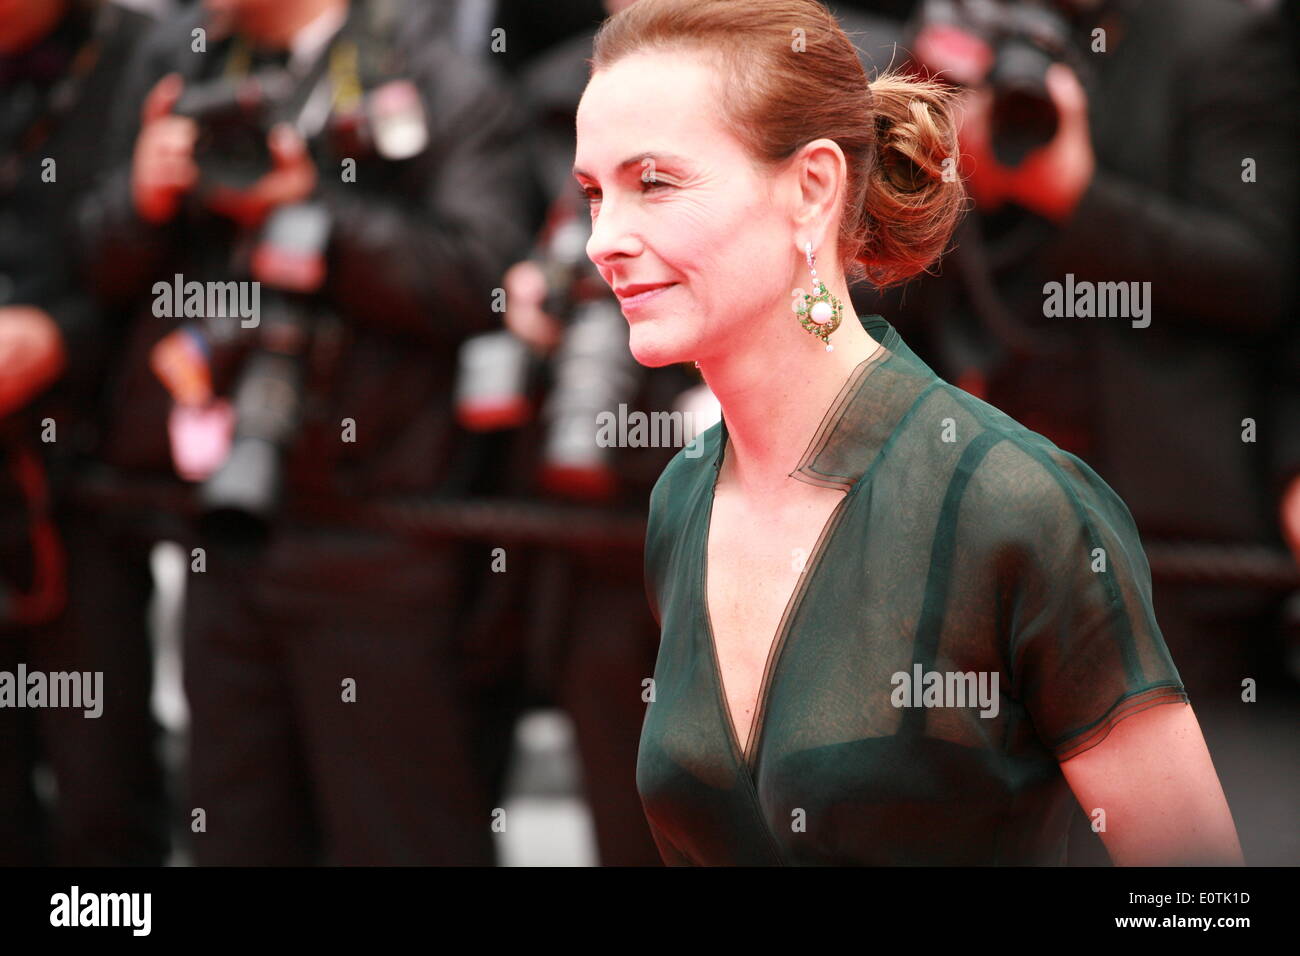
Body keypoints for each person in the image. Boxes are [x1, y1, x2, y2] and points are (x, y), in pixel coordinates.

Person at [573, 0, 1243, 865]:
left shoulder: (1014, 503)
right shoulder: (685, 496)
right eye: (594, 194)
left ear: (812, 187)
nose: (604, 240)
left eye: (654, 182)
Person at [76, 0, 535, 864]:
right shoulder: (190, 66)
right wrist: (140, 200)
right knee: (234, 830)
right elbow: (89, 276)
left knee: (399, 834)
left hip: (384, 534)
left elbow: (483, 279)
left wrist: (316, 216)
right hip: (222, 519)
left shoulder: (432, 75)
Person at [0, 0, 165, 866]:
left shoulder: (148, 52)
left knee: (103, 793)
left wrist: (59, 336)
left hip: (91, 478)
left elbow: (167, 257)